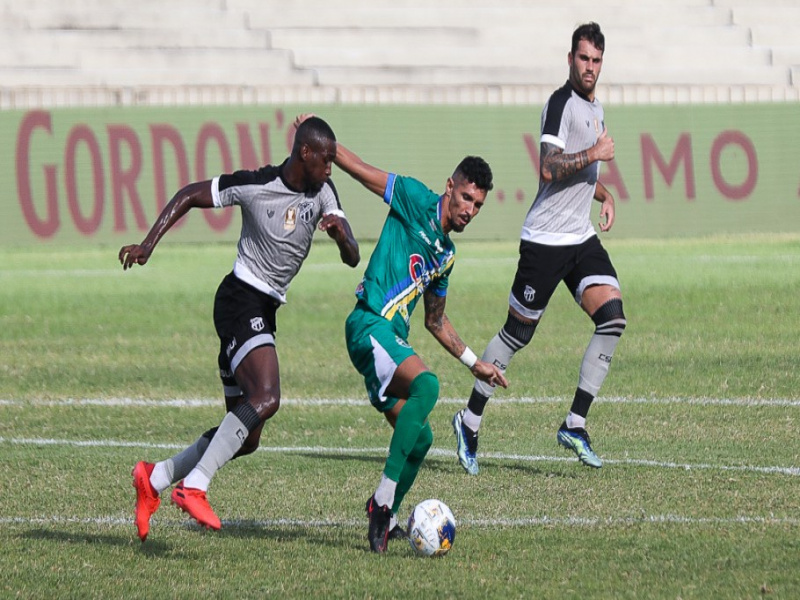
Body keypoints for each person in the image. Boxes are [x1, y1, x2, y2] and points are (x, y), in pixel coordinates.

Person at [121, 116, 360, 542]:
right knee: (267, 396)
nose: (331, 168)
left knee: (246, 436)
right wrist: (148, 244)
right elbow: (191, 194)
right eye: (326, 160)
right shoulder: (255, 185)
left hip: (263, 310)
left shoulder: (324, 190)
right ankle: (195, 486)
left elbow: (353, 256)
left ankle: (153, 478)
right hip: (239, 300)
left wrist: (342, 237)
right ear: (305, 153)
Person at [318, 117, 508, 553]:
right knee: (428, 385)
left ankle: (382, 520)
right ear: (449, 187)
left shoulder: (447, 254)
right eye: (465, 198)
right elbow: (363, 169)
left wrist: (474, 361)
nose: (469, 210)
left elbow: (435, 321)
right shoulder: (413, 197)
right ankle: (383, 503)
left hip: (390, 340)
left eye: (477, 205)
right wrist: (326, 145)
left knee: (421, 438)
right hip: (368, 324)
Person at [452, 22, 626, 473]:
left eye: (596, 61)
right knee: (517, 335)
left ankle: (575, 423)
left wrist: (604, 195)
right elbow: (550, 168)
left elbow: (581, 174)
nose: (590, 68)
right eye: (583, 58)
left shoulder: (596, 107)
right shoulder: (559, 104)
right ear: (570, 59)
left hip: (579, 237)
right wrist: (595, 155)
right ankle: (469, 420)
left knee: (612, 318)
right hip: (545, 240)